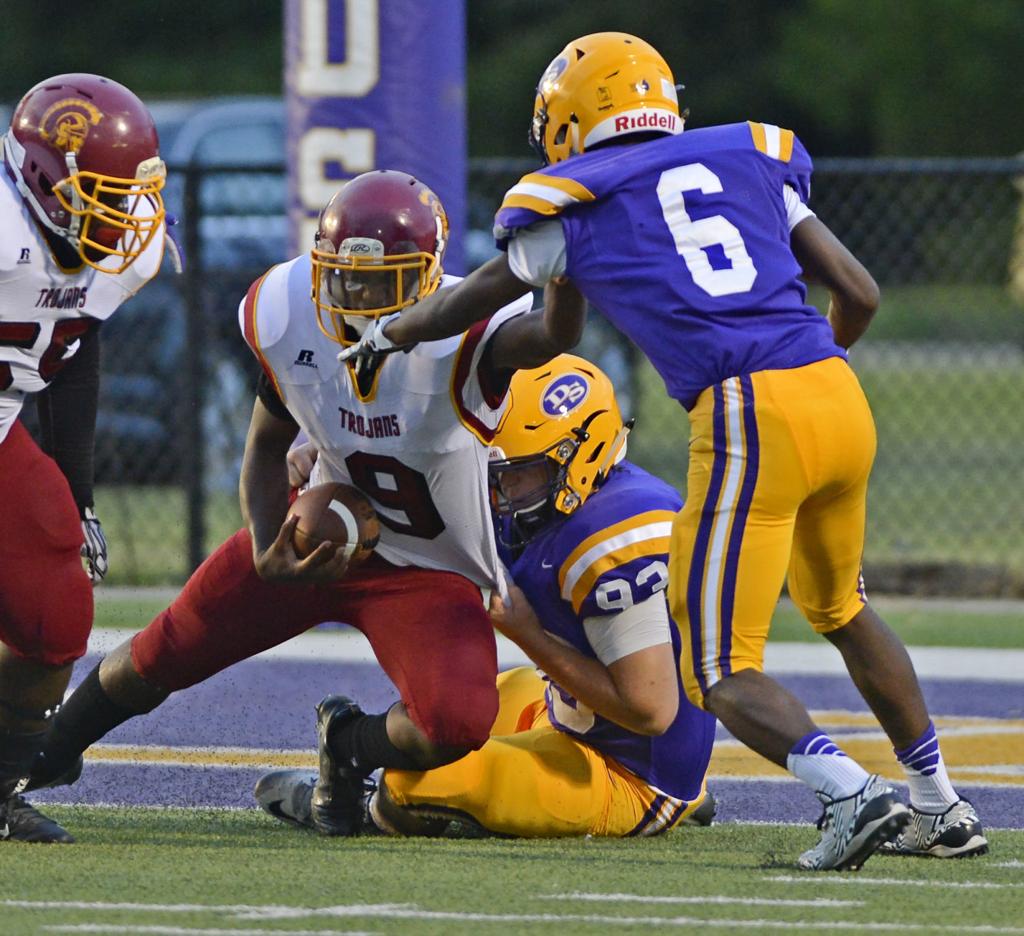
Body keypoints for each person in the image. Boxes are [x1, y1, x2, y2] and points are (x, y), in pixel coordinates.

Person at [338, 34, 988, 868]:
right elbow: (859, 292)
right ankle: (940, 803)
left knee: (716, 669)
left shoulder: (568, 201)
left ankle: (850, 796)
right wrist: (817, 366)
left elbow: (478, 301)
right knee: (842, 610)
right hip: (836, 390)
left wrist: (391, 332)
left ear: (570, 124)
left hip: (749, 407)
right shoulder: (749, 155)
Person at [23, 169, 583, 838]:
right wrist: (268, 546)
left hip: (429, 566)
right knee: (165, 647)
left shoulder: (468, 336)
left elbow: (553, 335)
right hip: (314, 535)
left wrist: (563, 267)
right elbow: (265, 446)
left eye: (388, 281)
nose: (365, 296)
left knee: (457, 721)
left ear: (429, 279)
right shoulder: (287, 312)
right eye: (350, 277)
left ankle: (347, 744)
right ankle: (39, 760)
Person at [256, 354, 716, 838]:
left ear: (579, 456)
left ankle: (354, 794)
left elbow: (649, 711)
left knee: (421, 780)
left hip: (627, 773)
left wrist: (528, 634)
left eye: (518, 473)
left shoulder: (615, 538)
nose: (497, 488)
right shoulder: (548, 505)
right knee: (450, 719)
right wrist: (327, 459)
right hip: (566, 713)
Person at [0, 74, 170, 843]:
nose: (121, 215)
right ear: (43, 174)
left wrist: (79, 493)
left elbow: (76, 339)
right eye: (99, 193)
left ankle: (0, 785)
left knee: (55, 608)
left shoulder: (109, 248)